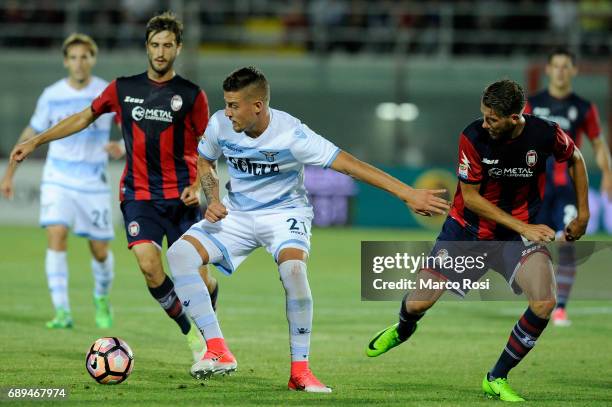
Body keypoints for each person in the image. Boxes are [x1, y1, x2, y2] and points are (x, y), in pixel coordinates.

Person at [164, 66, 451, 392]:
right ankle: (217, 349)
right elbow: (205, 160)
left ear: (257, 105)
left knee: (294, 272)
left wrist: (407, 193)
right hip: (238, 214)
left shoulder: (293, 135)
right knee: (179, 255)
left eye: (234, 106)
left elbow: (350, 165)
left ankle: (300, 372)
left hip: (285, 214)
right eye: (226, 104)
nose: (227, 112)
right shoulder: (219, 125)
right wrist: (212, 197)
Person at [10, 12, 216, 363]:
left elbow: (206, 149)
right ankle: (193, 333)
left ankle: (213, 329)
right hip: (138, 195)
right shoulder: (122, 88)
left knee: (200, 279)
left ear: (178, 48)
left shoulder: (192, 95)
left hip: (180, 197)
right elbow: (82, 117)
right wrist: (36, 142)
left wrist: (199, 185)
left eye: (168, 45)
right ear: (146, 47)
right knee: (149, 266)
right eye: (155, 45)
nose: (161, 52)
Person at [366, 79, 589, 402]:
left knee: (544, 301)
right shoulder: (473, 137)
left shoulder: (544, 133)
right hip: (467, 233)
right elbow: (470, 198)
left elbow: (575, 158)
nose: (485, 123)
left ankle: (496, 377)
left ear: (515, 117)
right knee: (417, 303)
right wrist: (523, 226)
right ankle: (402, 328)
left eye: (492, 118)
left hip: (515, 237)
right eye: (484, 115)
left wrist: (582, 214)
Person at [1, 33, 121, 329]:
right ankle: (62, 311)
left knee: (100, 250)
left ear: (92, 59)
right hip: (58, 178)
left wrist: (123, 148)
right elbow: (32, 132)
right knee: (56, 235)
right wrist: (9, 173)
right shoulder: (52, 94)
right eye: (74, 58)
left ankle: (101, 298)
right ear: (65, 62)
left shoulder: (105, 92)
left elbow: (133, 129)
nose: (79, 63)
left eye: (85, 57)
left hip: (93, 181)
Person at [525, 47, 612, 326]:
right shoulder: (532, 104)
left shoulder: (583, 108)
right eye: (556, 66)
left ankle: (560, 306)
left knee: (567, 244)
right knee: (534, 245)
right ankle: (539, 301)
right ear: (548, 70)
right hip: (536, 187)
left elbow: (598, 144)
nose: (561, 71)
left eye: (566, 66)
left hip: (567, 188)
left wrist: (607, 173)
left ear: (573, 70)